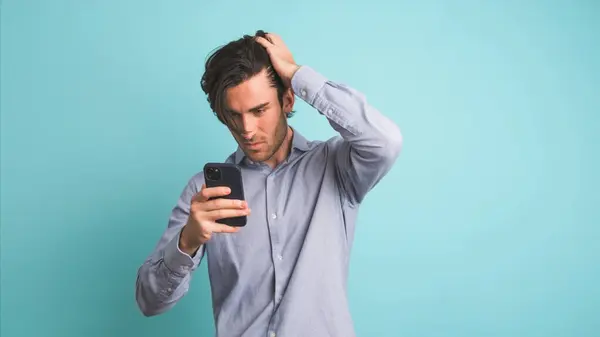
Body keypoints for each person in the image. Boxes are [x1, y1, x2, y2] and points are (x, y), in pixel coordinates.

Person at [135, 30, 403, 337]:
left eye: (259, 110)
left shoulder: (336, 165)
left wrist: (297, 74)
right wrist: (187, 241)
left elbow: (385, 141)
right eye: (233, 115)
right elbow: (149, 301)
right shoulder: (204, 194)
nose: (246, 129)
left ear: (288, 100)